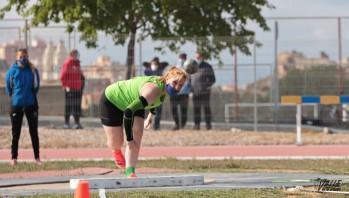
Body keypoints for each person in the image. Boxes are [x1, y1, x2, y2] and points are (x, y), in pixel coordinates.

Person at [99, 67, 188, 178]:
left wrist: (151, 115)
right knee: (117, 142)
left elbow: (156, 100)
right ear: (167, 78)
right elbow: (128, 112)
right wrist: (130, 140)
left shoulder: (164, 88)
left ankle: (130, 172)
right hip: (112, 100)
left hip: (133, 100)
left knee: (138, 132)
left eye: (181, 85)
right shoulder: (153, 91)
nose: (176, 88)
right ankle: (115, 150)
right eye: (175, 83)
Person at [5, 48, 42, 166]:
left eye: (25, 56)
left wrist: (29, 96)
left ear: (27, 57)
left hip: (31, 105)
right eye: (20, 57)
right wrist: (16, 97)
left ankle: (37, 158)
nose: (23, 59)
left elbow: (36, 86)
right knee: (16, 133)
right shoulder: (11, 72)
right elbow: (9, 88)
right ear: (16, 58)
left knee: (34, 132)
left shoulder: (32, 70)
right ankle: (14, 158)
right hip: (16, 105)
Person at [191, 52, 216, 130]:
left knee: (206, 109)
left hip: (205, 92)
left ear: (202, 57)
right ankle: (196, 125)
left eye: (198, 57)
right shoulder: (192, 66)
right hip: (195, 92)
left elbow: (213, 79)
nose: (197, 59)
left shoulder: (207, 66)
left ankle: (208, 125)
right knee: (196, 109)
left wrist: (206, 86)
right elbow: (189, 78)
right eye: (196, 57)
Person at [60, 49, 84, 129]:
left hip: (78, 88)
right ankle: (66, 123)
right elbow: (63, 76)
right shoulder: (68, 63)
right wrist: (65, 85)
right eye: (76, 53)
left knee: (77, 106)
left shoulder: (77, 63)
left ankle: (77, 123)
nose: (77, 55)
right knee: (69, 106)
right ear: (72, 54)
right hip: (70, 88)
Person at [170, 53, 190, 130]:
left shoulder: (189, 68)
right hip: (174, 92)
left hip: (184, 92)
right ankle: (177, 124)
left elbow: (189, 80)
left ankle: (182, 125)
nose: (181, 60)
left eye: (183, 58)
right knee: (173, 109)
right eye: (181, 58)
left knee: (184, 110)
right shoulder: (174, 68)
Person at [143, 57, 164, 130]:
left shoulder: (160, 71)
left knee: (158, 112)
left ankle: (156, 126)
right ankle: (149, 125)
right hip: (151, 94)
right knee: (151, 111)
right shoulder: (148, 71)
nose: (154, 65)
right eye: (153, 64)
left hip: (159, 93)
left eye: (155, 64)